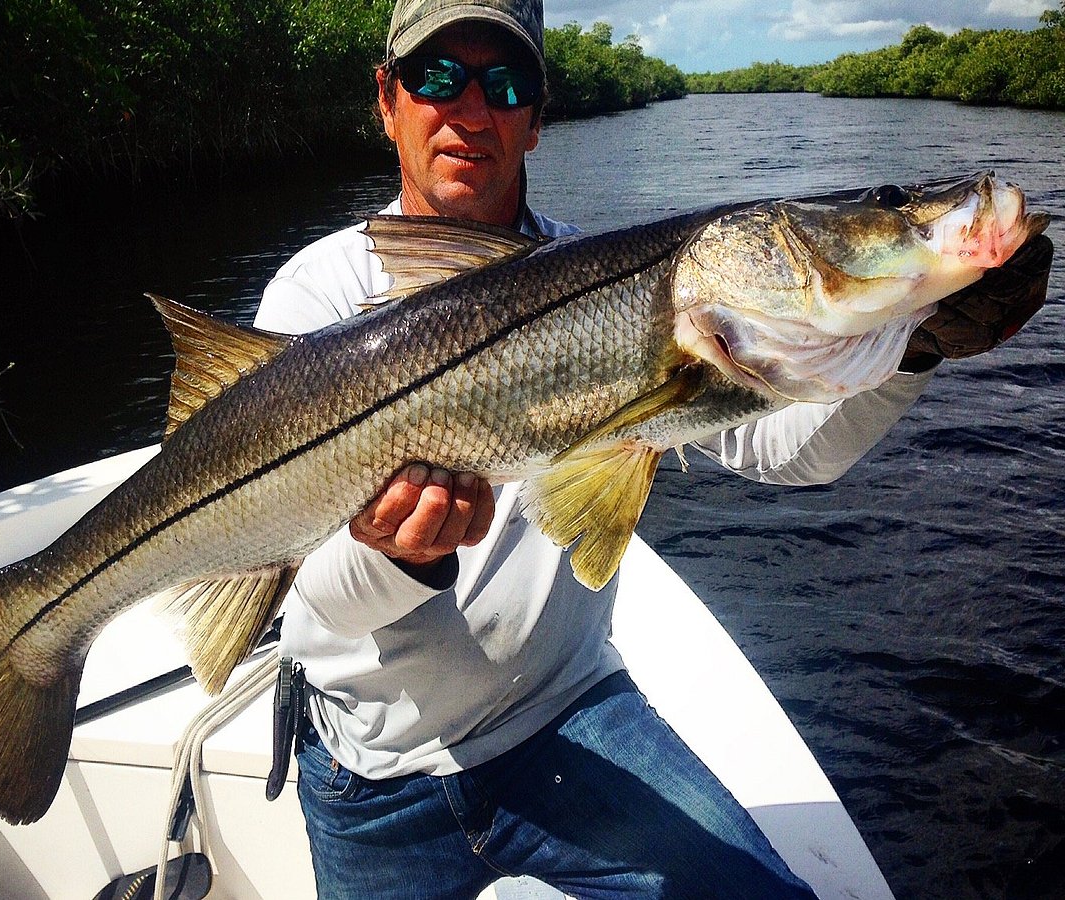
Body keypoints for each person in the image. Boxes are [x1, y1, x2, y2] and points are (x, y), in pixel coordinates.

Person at [254, 2, 1044, 897]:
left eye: (505, 84)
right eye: (437, 77)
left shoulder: (624, 287)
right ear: (387, 100)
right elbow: (313, 604)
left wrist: (913, 349)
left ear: (538, 116)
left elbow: (792, 452)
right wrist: (398, 555)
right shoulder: (318, 300)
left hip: (564, 718)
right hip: (369, 772)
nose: (470, 111)